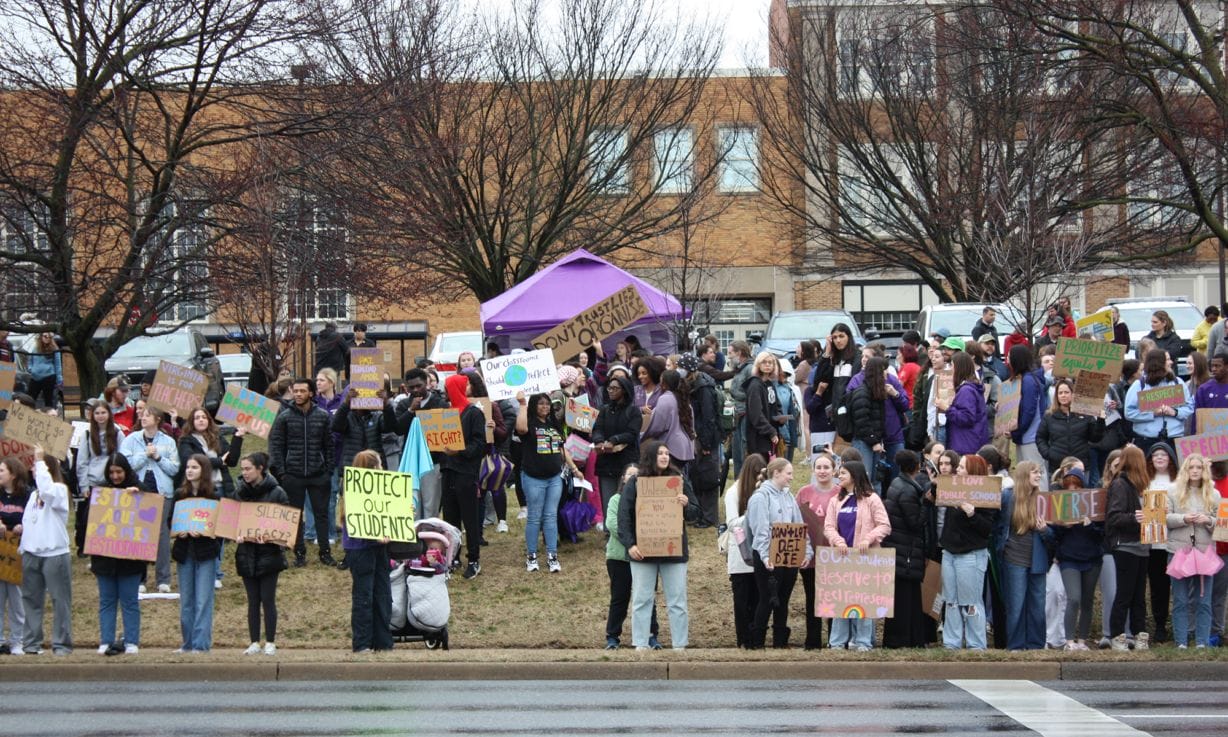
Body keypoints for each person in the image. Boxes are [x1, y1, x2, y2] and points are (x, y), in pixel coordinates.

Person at [616, 441, 699, 650]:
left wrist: (686, 504)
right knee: (642, 600)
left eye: (667, 453)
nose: (664, 456)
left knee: (677, 602)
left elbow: (696, 513)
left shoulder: (679, 480)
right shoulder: (636, 482)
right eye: (660, 453)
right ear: (651, 456)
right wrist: (630, 545)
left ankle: (680, 646)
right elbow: (623, 517)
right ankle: (641, 646)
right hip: (643, 552)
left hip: (674, 553)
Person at [268, 378, 335, 568]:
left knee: (321, 514)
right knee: (295, 515)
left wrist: (328, 469)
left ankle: (325, 552)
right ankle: (299, 553)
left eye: (302, 391)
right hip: (293, 474)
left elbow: (329, 445)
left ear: (311, 393)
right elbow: (277, 445)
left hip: (318, 473)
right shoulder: (285, 417)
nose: (298, 394)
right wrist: (282, 472)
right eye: (295, 391)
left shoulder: (322, 416)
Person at [824, 460, 890, 650]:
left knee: (864, 600)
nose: (839, 476)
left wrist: (868, 539)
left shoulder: (871, 499)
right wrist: (838, 541)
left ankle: (862, 642)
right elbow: (828, 527)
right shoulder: (835, 500)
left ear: (854, 475)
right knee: (840, 599)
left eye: (843, 473)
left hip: (865, 559)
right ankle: (837, 642)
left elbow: (885, 525)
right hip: (842, 558)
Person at [745, 457, 808, 649]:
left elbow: (799, 527)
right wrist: (765, 557)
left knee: (783, 599)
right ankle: (757, 643)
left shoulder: (788, 496)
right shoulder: (759, 497)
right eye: (788, 473)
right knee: (767, 599)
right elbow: (760, 531)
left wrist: (806, 552)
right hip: (767, 556)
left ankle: (780, 642)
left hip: (788, 555)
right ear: (776, 473)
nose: (791, 477)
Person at [91, 455, 152, 655]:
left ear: (126, 471)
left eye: (119, 472)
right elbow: (88, 521)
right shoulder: (100, 491)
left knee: (129, 601)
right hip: (104, 558)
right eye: (111, 472)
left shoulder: (139, 487)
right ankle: (106, 640)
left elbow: (152, 509)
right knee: (107, 601)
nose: (115, 476)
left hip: (130, 559)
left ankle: (132, 640)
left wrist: (139, 495)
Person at [515, 391, 579, 573]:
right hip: (533, 477)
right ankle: (532, 556)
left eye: (547, 404)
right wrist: (521, 404)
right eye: (541, 404)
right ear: (534, 405)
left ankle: (552, 556)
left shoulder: (553, 424)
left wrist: (574, 468)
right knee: (535, 517)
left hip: (554, 478)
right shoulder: (529, 423)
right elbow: (520, 429)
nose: (545, 407)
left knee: (551, 516)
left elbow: (561, 449)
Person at [232, 452, 288, 656]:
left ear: (260, 468)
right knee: (252, 600)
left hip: (269, 554)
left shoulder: (277, 493)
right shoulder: (239, 493)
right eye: (243, 469)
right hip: (246, 553)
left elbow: (286, 526)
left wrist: (272, 538)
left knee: (268, 598)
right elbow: (232, 520)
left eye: (248, 468)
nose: (244, 473)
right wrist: (236, 534)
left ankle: (270, 641)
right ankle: (254, 641)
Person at [940, 454, 997, 650]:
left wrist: (971, 512)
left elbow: (986, 528)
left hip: (971, 554)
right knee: (951, 601)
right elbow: (933, 492)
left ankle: (976, 644)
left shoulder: (985, 494)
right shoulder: (953, 489)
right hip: (949, 552)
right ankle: (951, 643)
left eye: (962, 467)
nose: (957, 470)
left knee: (971, 601)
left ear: (973, 471)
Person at [19, 446, 72, 656]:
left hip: (55, 554)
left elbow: (48, 490)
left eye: (36, 465)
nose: (32, 469)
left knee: (60, 601)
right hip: (32, 554)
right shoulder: (33, 496)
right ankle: (31, 644)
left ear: (47, 468)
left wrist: (41, 460)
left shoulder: (59, 491)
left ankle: (61, 645)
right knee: (31, 600)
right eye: (34, 465)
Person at [1165, 453, 1221, 649]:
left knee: (1203, 600)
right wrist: (1184, 518)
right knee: (1180, 600)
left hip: (1205, 552)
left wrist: (1208, 521)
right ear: (1185, 470)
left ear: (1204, 471)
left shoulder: (1214, 494)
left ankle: (1202, 642)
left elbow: (1221, 524)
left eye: (1198, 467)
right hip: (1179, 550)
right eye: (1191, 467)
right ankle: (1181, 642)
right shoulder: (1172, 491)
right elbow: (1165, 518)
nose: (1195, 471)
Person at [120, 406, 179, 593]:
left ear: (158, 419)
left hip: (163, 492)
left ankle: (163, 579)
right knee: (139, 533)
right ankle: (140, 579)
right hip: (139, 491)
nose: (143, 418)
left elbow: (175, 468)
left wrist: (158, 457)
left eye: (148, 415)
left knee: (162, 534)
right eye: (142, 415)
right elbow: (126, 465)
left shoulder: (168, 441)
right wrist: (145, 455)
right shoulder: (132, 439)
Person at [340, 450, 393, 653]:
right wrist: (375, 537)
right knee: (364, 596)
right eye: (379, 465)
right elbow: (357, 520)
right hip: (360, 549)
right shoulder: (353, 488)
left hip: (379, 547)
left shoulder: (382, 487)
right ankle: (362, 643)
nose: (382, 469)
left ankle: (383, 642)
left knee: (383, 594)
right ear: (372, 468)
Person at [996, 461, 1053, 650]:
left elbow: (1054, 535)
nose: (1038, 476)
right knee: (1016, 605)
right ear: (1023, 475)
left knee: (1037, 605)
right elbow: (997, 526)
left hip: (1037, 560)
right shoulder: (1007, 497)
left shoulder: (1043, 499)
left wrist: (1044, 530)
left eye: (1039, 472)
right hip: (1013, 559)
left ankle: (1036, 645)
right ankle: (1016, 646)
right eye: (1034, 472)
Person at [604, 464, 659, 650]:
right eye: (630, 474)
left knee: (647, 597)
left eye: (637, 475)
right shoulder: (615, 500)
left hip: (645, 558)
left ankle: (651, 635)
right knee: (620, 597)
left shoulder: (649, 501)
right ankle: (612, 636)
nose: (633, 477)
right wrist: (633, 543)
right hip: (619, 558)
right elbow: (613, 524)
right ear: (623, 478)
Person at [439, 373, 488, 579]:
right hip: (448, 471)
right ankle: (453, 557)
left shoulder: (473, 413)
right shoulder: (446, 413)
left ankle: (474, 559)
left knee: (469, 517)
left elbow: (480, 444)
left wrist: (460, 451)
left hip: (466, 472)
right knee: (450, 519)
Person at [170, 454, 220, 652]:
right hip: (184, 551)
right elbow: (169, 521)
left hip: (206, 552)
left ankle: (201, 644)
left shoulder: (213, 496)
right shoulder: (179, 494)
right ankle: (187, 643)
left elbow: (219, 526)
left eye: (195, 467)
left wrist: (206, 532)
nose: (189, 471)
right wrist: (178, 530)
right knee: (187, 601)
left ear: (204, 471)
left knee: (203, 600)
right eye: (188, 467)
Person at [1050, 468, 1103, 651]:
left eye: (1077, 486)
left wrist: (1089, 526)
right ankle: (1069, 641)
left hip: (1092, 558)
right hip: (1069, 559)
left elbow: (1101, 534)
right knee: (1073, 598)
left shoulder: (1092, 504)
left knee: (1087, 601)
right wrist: (1063, 526)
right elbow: (1054, 535)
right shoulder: (1060, 505)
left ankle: (1082, 641)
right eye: (1069, 487)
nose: (1073, 490)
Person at [881, 449, 930, 648]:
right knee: (906, 598)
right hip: (906, 551)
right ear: (916, 467)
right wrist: (926, 504)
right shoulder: (908, 490)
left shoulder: (897, 483)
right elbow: (915, 523)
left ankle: (901, 638)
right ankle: (904, 638)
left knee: (902, 597)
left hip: (899, 548)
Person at [1106, 445, 1152, 651]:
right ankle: (1117, 635)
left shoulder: (1141, 486)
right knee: (1124, 594)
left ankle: (1139, 634)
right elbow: (1114, 517)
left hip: (1142, 546)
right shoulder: (1120, 484)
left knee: (1139, 596)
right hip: (1125, 546)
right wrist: (1135, 518)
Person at [846, 356, 910, 493]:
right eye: (883, 371)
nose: (886, 374)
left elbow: (905, 405)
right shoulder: (862, 392)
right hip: (864, 442)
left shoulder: (879, 393)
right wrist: (874, 441)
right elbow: (861, 421)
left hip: (878, 441)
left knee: (876, 481)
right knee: (864, 480)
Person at [796, 452, 839, 649]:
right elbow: (795, 522)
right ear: (813, 470)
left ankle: (834, 639)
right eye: (819, 467)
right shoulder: (804, 492)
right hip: (810, 555)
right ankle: (812, 641)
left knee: (832, 599)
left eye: (826, 467)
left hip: (833, 556)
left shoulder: (841, 493)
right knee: (812, 597)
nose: (822, 471)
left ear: (834, 470)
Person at [725, 453, 767, 648]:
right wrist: (751, 516)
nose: (760, 478)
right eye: (757, 474)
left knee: (759, 599)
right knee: (742, 601)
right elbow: (732, 523)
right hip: (741, 553)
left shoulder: (765, 492)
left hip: (760, 553)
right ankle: (743, 639)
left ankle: (757, 638)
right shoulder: (734, 492)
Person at [592, 371, 642, 527]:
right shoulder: (604, 410)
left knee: (626, 497)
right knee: (608, 499)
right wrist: (599, 441)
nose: (611, 391)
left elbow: (632, 433)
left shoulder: (633, 411)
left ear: (624, 391)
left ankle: (629, 530)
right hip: (606, 461)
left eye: (615, 388)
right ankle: (610, 532)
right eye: (609, 388)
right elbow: (597, 428)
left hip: (626, 461)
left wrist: (614, 440)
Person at [1037, 378, 1105, 474]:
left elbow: (1095, 438)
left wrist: (1101, 421)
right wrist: (1048, 454)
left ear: (1073, 394)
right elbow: (1040, 437)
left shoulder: (1085, 413)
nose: (1063, 395)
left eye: (1066, 392)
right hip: (1058, 467)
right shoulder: (1049, 416)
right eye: (1060, 393)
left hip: (1081, 466)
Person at [1006, 345, 1050, 487]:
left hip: (1031, 437)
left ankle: (1042, 508)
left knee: (1037, 475)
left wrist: (1017, 431)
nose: (1007, 360)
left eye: (1009, 356)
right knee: (1026, 477)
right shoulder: (1026, 379)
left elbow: (1029, 411)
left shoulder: (1029, 381)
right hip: (1026, 437)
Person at [640, 369, 695, 473]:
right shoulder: (684, 400)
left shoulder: (665, 399)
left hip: (671, 448)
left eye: (661, 380)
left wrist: (642, 436)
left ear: (664, 383)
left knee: (669, 482)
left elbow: (657, 426)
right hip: (685, 448)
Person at [0, 457, 28, 654]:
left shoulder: (27, 494)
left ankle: (17, 641)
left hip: (18, 551)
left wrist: (23, 527)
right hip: (1, 550)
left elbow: (35, 518)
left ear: (13, 474)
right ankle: (1, 640)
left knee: (16, 598)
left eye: (2, 470)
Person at [944, 352, 988, 456]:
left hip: (965, 446)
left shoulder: (966, 390)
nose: (950, 370)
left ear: (959, 368)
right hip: (970, 442)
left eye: (952, 366)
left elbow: (967, 417)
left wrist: (947, 408)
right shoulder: (970, 388)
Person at [743, 352, 783, 460]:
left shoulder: (770, 384)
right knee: (761, 469)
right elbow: (756, 414)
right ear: (758, 365)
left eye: (770, 362)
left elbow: (776, 406)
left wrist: (780, 418)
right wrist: (771, 431)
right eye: (764, 362)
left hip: (770, 434)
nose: (767, 365)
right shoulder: (755, 385)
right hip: (758, 437)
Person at [727, 341, 755, 476]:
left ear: (739, 353)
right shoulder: (740, 369)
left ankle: (745, 478)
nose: (729, 357)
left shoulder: (750, 369)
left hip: (746, 413)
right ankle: (739, 480)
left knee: (744, 447)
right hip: (738, 413)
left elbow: (754, 393)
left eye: (730, 353)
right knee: (736, 449)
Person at [24, 332, 61, 410]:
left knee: (49, 401)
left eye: (49, 337)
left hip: (49, 376)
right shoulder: (35, 348)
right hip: (35, 377)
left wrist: (59, 379)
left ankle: (50, 418)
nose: (47, 338)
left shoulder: (54, 349)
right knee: (29, 400)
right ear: (41, 337)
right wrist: (31, 369)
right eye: (45, 336)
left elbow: (58, 365)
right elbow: (30, 360)